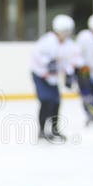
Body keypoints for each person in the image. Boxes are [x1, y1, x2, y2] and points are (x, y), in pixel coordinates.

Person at [30, 14, 76, 142]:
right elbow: (36, 55)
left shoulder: (69, 44)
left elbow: (69, 61)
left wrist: (69, 74)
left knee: (56, 102)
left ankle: (55, 129)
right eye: (64, 31)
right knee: (46, 100)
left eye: (68, 32)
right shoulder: (47, 41)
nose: (66, 34)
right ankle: (42, 130)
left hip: (53, 77)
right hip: (41, 75)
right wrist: (47, 63)